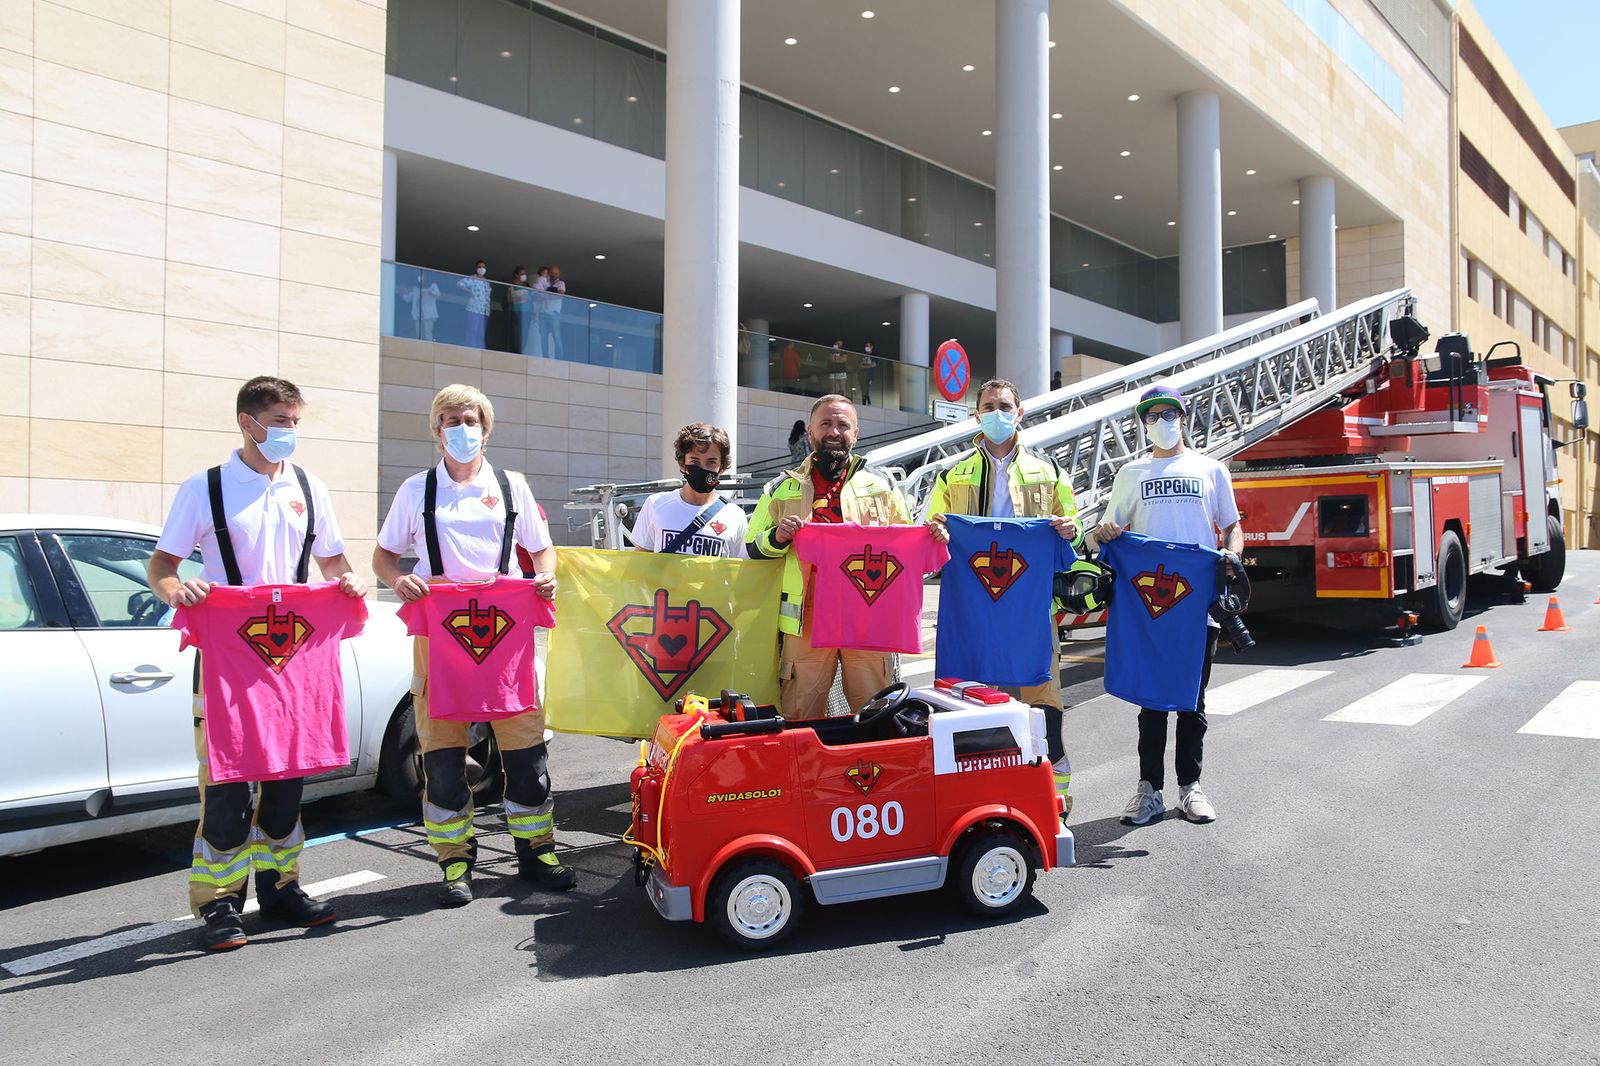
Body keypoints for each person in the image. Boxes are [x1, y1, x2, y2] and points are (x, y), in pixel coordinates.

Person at [146, 375, 368, 952]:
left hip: (293, 657)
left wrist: (347, 582)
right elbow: (163, 565)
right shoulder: (207, 488)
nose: (290, 432)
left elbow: (333, 562)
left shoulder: (309, 487)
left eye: (296, 422)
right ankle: (218, 903)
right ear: (247, 422)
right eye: (280, 422)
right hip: (229, 659)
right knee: (227, 784)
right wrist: (179, 593)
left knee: (286, 784)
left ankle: (280, 889)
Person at [373, 384, 576, 906]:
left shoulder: (511, 486)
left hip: (506, 635)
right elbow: (383, 556)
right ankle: (454, 860)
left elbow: (543, 549)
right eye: (449, 419)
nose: (460, 428)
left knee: (526, 756)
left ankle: (537, 851)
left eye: (469, 419)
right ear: (435, 428)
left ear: (486, 428)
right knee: (442, 760)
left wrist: (545, 578)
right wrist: (399, 580)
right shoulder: (416, 491)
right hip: (441, 635)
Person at [925, 377, 1081, 814]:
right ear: (976, 415)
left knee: (1044, 693)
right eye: (989, 406)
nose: (997, 413)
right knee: (974, 695)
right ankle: (981, 794)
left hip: (1030, 605)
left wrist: (1071, 529)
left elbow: (1075, 529)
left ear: (1020, 412)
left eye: (1005, 405)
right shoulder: (951, 475)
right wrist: (936, 533)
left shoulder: (1047, 471)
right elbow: (927, 534)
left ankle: (1056, 792)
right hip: (973, 605)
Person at [1091, 384, 1242, 827]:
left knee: (1192, 699)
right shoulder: (1130, 474)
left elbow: (1231, 526)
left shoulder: (1211, 470)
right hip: (1149, 603)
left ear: (1184, 416)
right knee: (1152, 702)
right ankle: (1148, 791)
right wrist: (1104, 532)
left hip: (1198, 601)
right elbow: (1104, 534)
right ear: (1143, 424)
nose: (1162, 421)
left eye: (1169, 412)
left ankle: (1190, 787)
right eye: (1152, 415)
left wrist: (1232, 557)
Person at [747, 395, 910, 719]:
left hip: (866, 613)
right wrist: (778, 537)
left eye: (843, 425)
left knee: (876, 709)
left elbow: (906, 546)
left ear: (856, 433)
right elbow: (750, 547)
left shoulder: (881, 488)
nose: (834, 431)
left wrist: (933, 536)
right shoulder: (780, 489)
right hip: (805, 619)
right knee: (800, 712)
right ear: (810, 433)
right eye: (826, 424)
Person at [630, 424, 747, 556]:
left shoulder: (735, 516)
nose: (702, 468)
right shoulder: (656, 504)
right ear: (682, 463)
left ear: (723, 466)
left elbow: (739, 571)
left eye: (711, 462)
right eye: (694, 461)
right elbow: (640, 565)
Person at [457, 259, 491, 349]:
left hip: (484, 310)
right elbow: (459, 284)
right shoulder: (472, 278)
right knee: (472, 330)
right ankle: (470, 348)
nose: (481, 268)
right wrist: (469, 291)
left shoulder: (487, 282)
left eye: (483, 267)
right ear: (476, 268)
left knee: (481, 332)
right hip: (474, 308)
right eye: (479, 267)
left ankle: (479, 349)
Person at [536, 264, 566, 358]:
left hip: (554, 314)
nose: (554, 275)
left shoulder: (560, 283)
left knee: (556, 336)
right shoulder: (546, 283)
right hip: (543, 313)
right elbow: (537, 296)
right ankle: (545, 357)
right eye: (552, 273)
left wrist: (547, 296)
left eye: (556, 273)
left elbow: (560, 295)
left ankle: (559, 358)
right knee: (543, 337)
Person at [402, 270, 441, 340]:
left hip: (429, 315)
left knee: (427, 335)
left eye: (423, 277)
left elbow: (438, 294)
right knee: (418, 335)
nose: (421, 278)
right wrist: (402, 293)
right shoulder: (415, 289)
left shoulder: (432, 286)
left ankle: (428, 349)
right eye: (420, 277)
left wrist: (428, 292)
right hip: (417, 315)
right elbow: (408, 299)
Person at [507, 266, 533, 354]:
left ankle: (522, 351)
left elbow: (531, 298)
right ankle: (515, 351)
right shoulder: (512, 285)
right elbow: (509, 300)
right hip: (517, 312)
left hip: (527, 312)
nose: (524, 275)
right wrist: (520, 297)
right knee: (516, 333)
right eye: (522, 274)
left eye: (525, 274)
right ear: (516, 275)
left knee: (525, 333)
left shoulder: (527, 285)